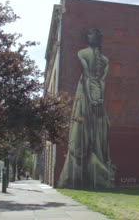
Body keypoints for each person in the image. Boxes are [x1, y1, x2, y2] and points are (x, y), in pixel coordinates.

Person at [58, 28, 115, 189]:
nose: (92, 36)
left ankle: (99, 171)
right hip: (86, 96)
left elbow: (100, 80)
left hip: (94, 97)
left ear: (98, 38)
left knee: (99, 129)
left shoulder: (104, 59)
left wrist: (98, 100)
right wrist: (94, 99)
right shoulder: (82, 53)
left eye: (94, 34)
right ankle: (85, 172)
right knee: (85, 128)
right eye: (89, 34)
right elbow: (87, 77)